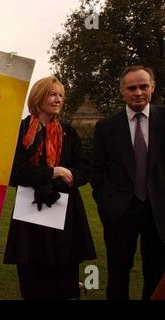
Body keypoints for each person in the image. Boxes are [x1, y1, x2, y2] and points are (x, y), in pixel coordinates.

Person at [4, 76, 96, 300]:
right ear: (38, 97)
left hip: (64, 211)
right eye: (53, 94)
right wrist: (52, 172)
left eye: (61, 95)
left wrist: (71, 175)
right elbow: (14, 172)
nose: (58, 99)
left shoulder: (68, 133)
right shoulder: (22, 132)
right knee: (34, 276)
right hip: (30, 213)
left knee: (64, 274)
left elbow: (84, 167)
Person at [91, 65, 165, 300]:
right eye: (131, 87)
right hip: (120, 214)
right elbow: (97, 171)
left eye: (143, 86)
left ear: (152, 87)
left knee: (155, 275)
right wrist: (105, 203)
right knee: (118, 276)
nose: (138, 92)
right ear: (122, 90)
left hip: (159, 214)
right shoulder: (106, 127)